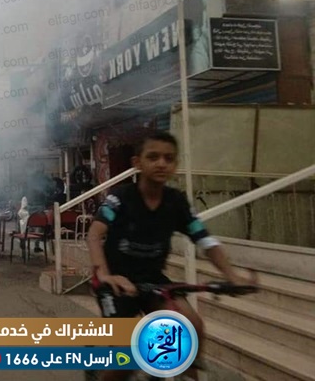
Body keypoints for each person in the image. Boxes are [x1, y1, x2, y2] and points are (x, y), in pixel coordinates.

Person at [87, 131, 256, 381]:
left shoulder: (176, 202)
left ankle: (184, 373)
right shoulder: (120, 197)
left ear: (176, 165)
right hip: (116, 283)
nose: (161, 163)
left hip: (154, 281)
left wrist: (231, 275)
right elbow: (94, 234)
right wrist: (104, 275)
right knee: (127, 354)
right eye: (153, 157)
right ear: (137, 162)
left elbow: (205, 240)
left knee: (191, 326)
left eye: (169, 158)